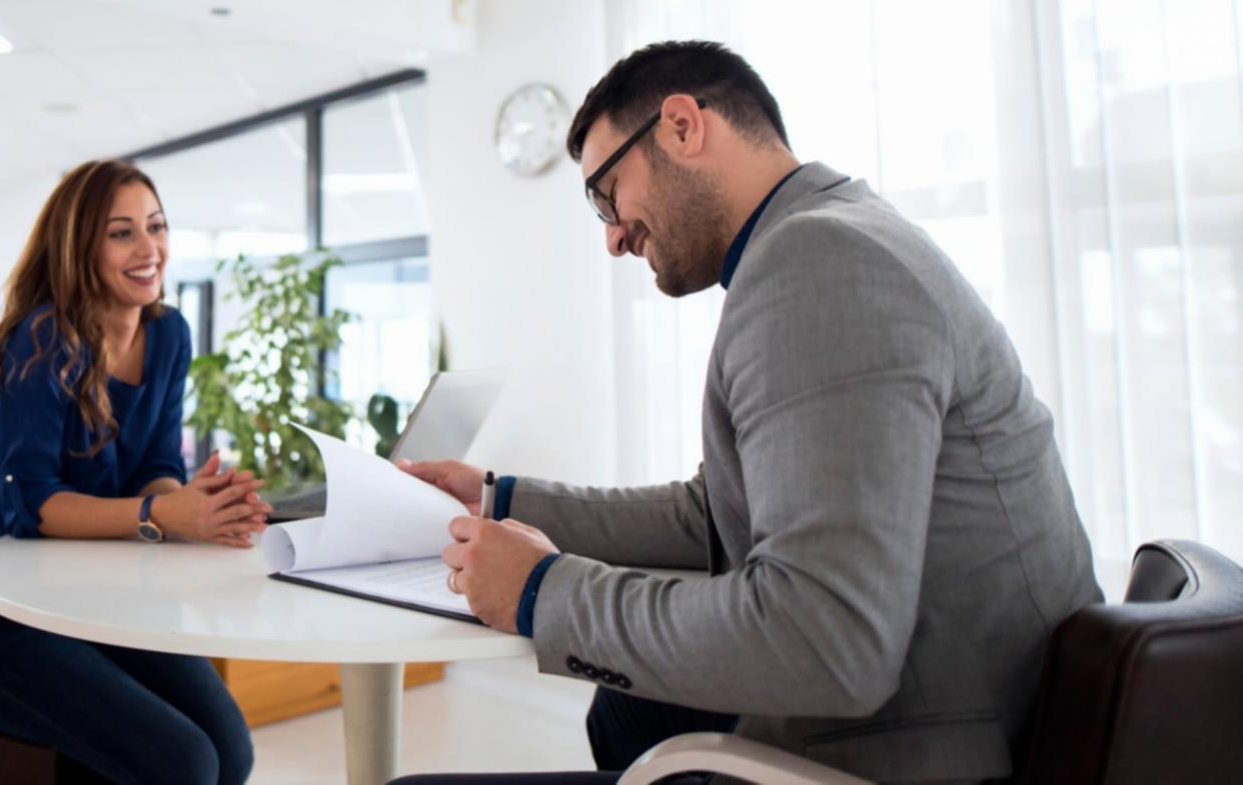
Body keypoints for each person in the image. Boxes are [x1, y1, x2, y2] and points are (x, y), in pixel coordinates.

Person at [393, 42, 1102, 785]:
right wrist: (498, 500)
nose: (611, 237)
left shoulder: (820, 264)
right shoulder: (834, 232)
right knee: (625, 712)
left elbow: (828, 641)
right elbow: (715, 511)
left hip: (930, 744)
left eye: (607, 195)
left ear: (681, 127)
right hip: (971, 697)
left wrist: (543, 591)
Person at [0, 159, 270, 785]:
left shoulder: (169, 333)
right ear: (81, 247)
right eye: (122, 233)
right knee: (184, 763)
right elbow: (30, 507)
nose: (150, 249)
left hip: (99, 600)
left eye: (157, 226)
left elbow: (157, 465)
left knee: (232, 749)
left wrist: (192, 503)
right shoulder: (42, 340)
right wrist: (160, 515)